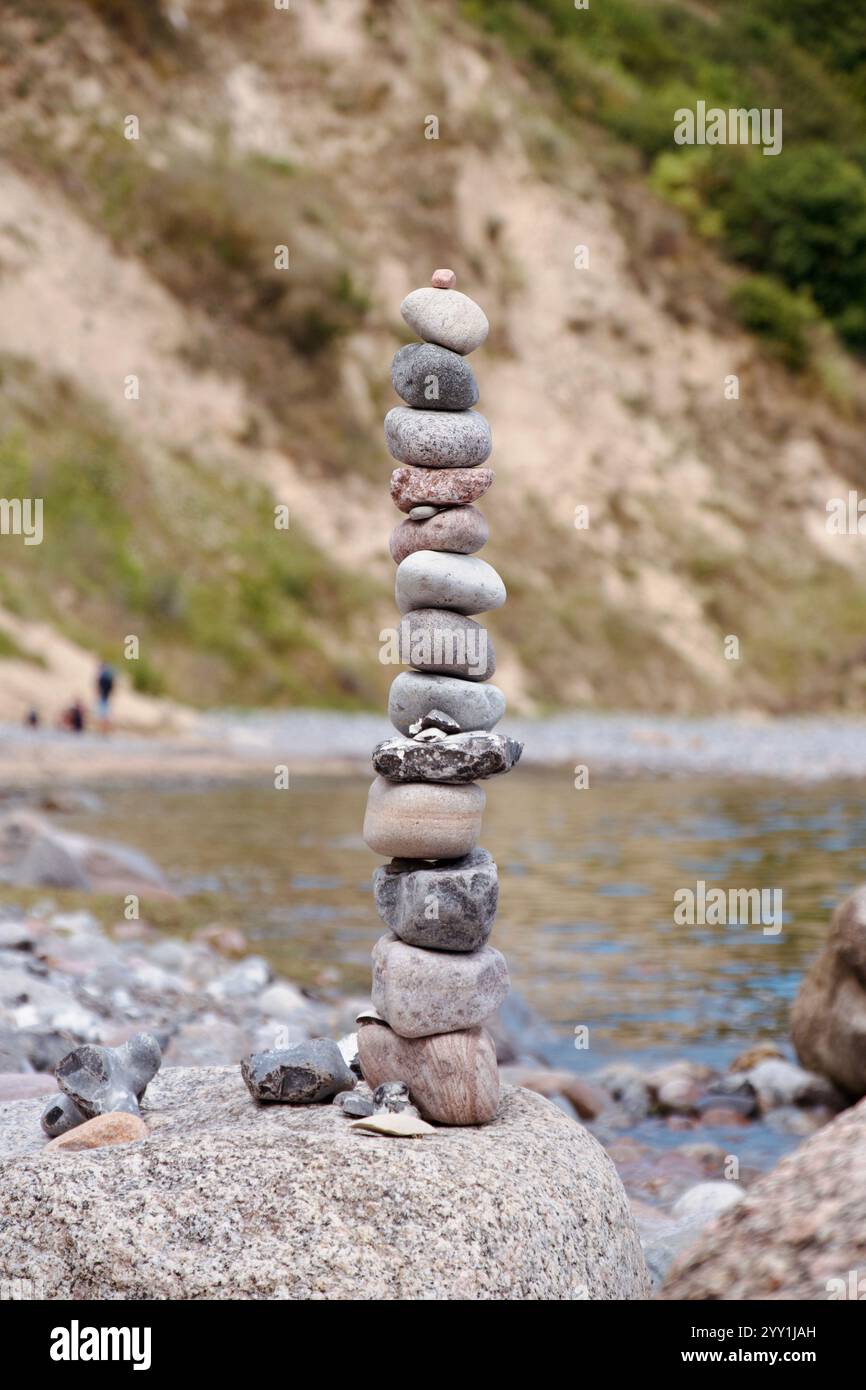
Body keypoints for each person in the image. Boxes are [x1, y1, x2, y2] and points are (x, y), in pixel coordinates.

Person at [96, 661, 115, 731]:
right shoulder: (109, 677)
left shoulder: (102, 677)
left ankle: (103, 730)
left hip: (103, 697)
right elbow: (112, 687)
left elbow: (98, 688)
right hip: (106, 697)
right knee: (105, 715)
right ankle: (105, 730)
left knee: (103, 715)